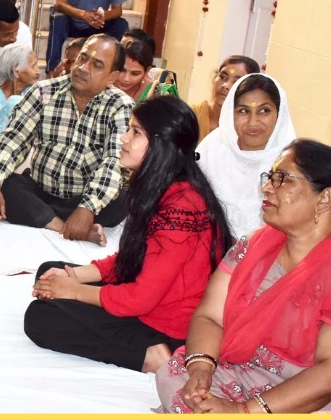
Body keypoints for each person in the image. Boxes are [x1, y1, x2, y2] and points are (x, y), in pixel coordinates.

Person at [156, 140, 331, 413]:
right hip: (248, 374)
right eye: (270, 176)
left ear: (325, 198)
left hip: (321, 394)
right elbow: (210, 316)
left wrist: (244, 411)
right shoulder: (256, 245)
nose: (267, 187)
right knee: (175, 373)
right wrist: (201, 368)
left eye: (283, 179)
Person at [25, 96, 233, 373]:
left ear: (161, 144)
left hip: (168, 325)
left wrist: (74, 292)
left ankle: (149, 355)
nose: (123, 139)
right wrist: (76, 277)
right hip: (156, 299)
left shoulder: (182, 205)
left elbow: (141, 298)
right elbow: (134, 260)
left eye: (135, 132)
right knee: (49, 270)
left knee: (40, 318)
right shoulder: (165, 185)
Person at [0, 34, 132, 243]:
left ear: (112, 77)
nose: (83, 68)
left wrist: (87, 207)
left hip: (83, 196)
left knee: (121, 200)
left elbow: (113, 162)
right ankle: (63, 226)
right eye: (82, 58)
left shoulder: (121, 106)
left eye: (96, 65)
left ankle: (43, 216)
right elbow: (14, 140)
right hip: (40, 189)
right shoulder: (43, 92)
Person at [196, 73, 296, 239]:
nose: (253, 122)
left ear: (279, 114)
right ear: (230, 113)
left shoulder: (293, 162)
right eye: (243, 111)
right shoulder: (212, 149)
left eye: (264, 111)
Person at [190, 55, 260, 143]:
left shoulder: (247, 131)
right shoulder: (189, 117)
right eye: (223, 77)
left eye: (236, 82)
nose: (225, 86)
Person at [113, 37, 152, 102]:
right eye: (122, 70)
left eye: (135, 73)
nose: (126, 79)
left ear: (147, 71)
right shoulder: (101, 86)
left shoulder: (154, 94)